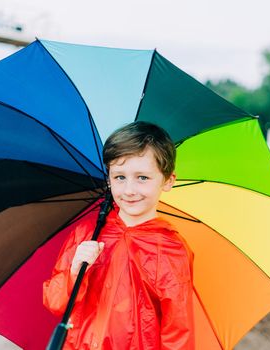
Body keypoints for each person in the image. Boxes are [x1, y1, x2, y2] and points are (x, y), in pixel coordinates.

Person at [43, 121, 194, 349]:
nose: (129, 190)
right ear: (109, 179)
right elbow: (55, 302)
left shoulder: (172, 252)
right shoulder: (87, 234)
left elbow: (178, 333)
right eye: (120, 177)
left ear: (167, 181)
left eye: (142, 177)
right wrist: (74, 272)